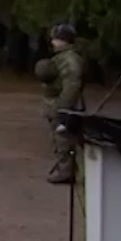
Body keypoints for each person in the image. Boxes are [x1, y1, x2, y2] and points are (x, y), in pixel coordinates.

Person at [36, 23, 87, 184]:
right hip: (55, 103)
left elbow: (72, 85)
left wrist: (62, 107)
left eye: (57, 38)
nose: (53, 41)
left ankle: (67, 171)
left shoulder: (70, 60)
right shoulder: (62, 57)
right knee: (58, 138)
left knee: (64, 138)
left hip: (64, 106)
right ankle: (65, 167)